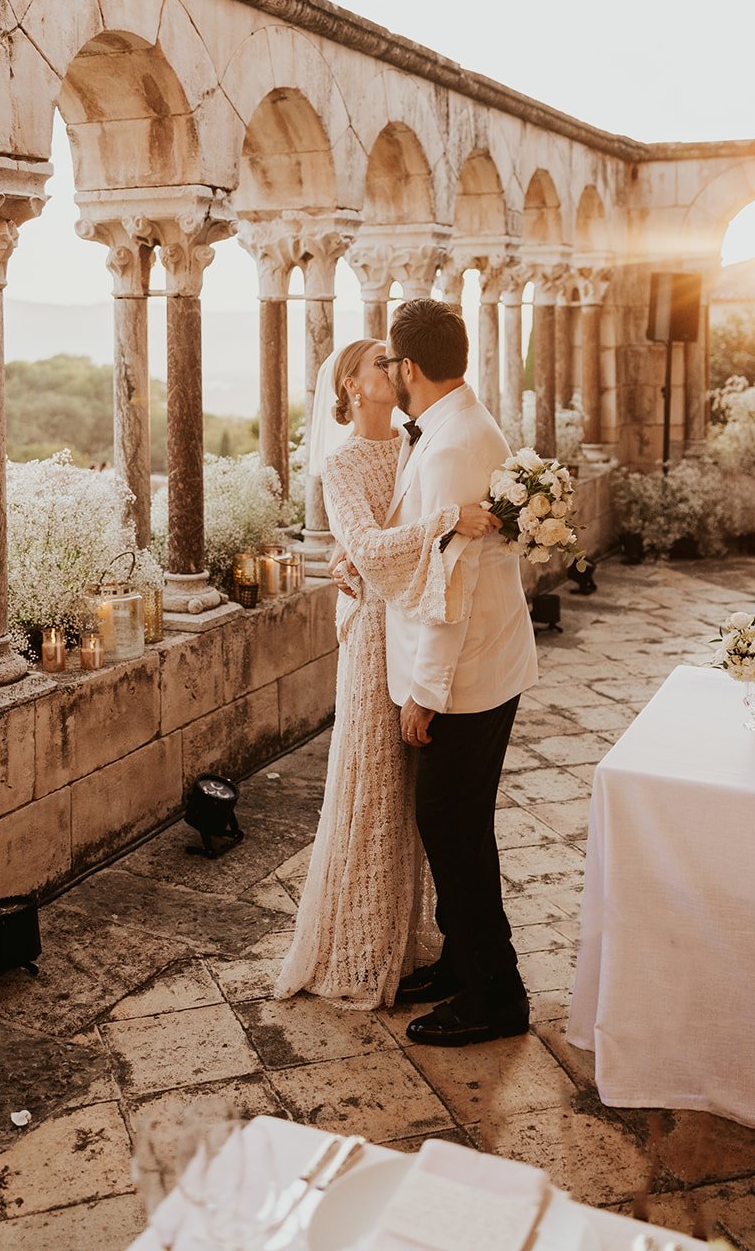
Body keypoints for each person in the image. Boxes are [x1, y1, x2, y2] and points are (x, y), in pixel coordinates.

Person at [274, 338, 496, 1010]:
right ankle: (359, 950)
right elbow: (370, 543)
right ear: (350, 384)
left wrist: (353, 557)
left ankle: (404, 944)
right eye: (379, 363)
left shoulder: (413, 439)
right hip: (375, 638)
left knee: (411, 799)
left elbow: (368, 545)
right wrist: (447, 520)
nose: (394, 371)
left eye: (397, 361)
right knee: (372, 781)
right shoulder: (340, 463)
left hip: (412, 620)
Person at [376, 298, 539, 1047]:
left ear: (409, 367)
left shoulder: (449, 447)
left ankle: (493, 996)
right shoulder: (466, 423)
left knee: (453, 828)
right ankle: (460, 961)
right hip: (489, 663)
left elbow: (450, 585)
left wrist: (425, 695)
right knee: (458, 826)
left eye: (389, 363)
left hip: (465, 678)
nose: (388, 375)